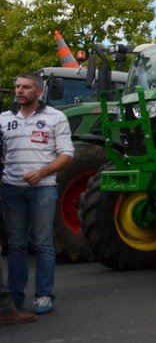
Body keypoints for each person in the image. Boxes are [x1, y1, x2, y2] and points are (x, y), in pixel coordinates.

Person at [0, 73, 74, 315]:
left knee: (43, 243)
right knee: (16, 244)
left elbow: (66, 154)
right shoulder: (3, 119)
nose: (19, 91)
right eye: (17, 86)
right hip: (11, 188)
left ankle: (43, 295)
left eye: (26, 87)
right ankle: (15, 298)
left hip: (43, 188)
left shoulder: (56, 118)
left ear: (39, 92)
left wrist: (42, 172)